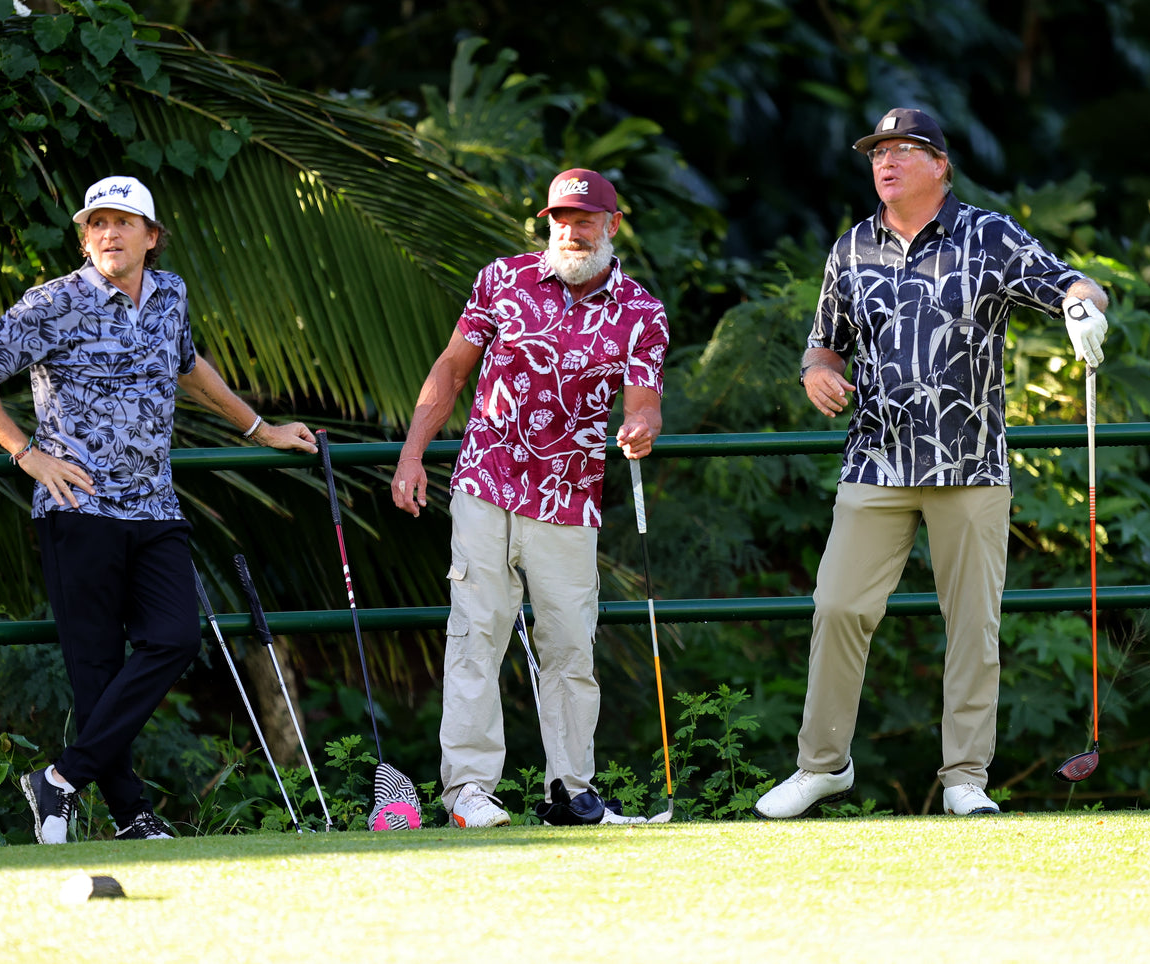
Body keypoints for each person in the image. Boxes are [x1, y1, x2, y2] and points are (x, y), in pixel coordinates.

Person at [0, 174, 318, 843]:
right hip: (76, 508)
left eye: (122, 222)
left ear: (151, 237)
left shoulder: (169, 294)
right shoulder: (52, 302)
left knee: (175, 638)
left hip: (154, 506)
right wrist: (25, 451)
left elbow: (189, 366)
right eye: (96, 224)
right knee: (94, 669)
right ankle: (131, 816)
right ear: (85, 240)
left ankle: (57, 780)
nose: (108, 234)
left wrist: (259, 429)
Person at [755, 109, 1109, 819]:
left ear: (939, 164)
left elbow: (1074, 283)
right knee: (838, 606)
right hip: (875, 463)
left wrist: (1083, 313)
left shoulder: (988, 235)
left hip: (970, 464)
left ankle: (964, 778)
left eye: (902, 150)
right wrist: (814, 373)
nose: (885, 162)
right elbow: (823, 344)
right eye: (876, 151)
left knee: (972, 625)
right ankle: (822, 766)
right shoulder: (852, 247)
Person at [391, 168, 670, 827]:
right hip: (485, 482)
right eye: (560, 219)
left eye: (584, 219)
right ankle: (468, 794)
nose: (571, 231)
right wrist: (410, 453)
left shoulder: (641, 312)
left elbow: (645, 400)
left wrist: (641, 428)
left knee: (571, 647)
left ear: (612, 225)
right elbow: (451, 367)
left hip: (569, 500)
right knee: (475, 636)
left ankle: (571, 793)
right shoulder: (502, 279)